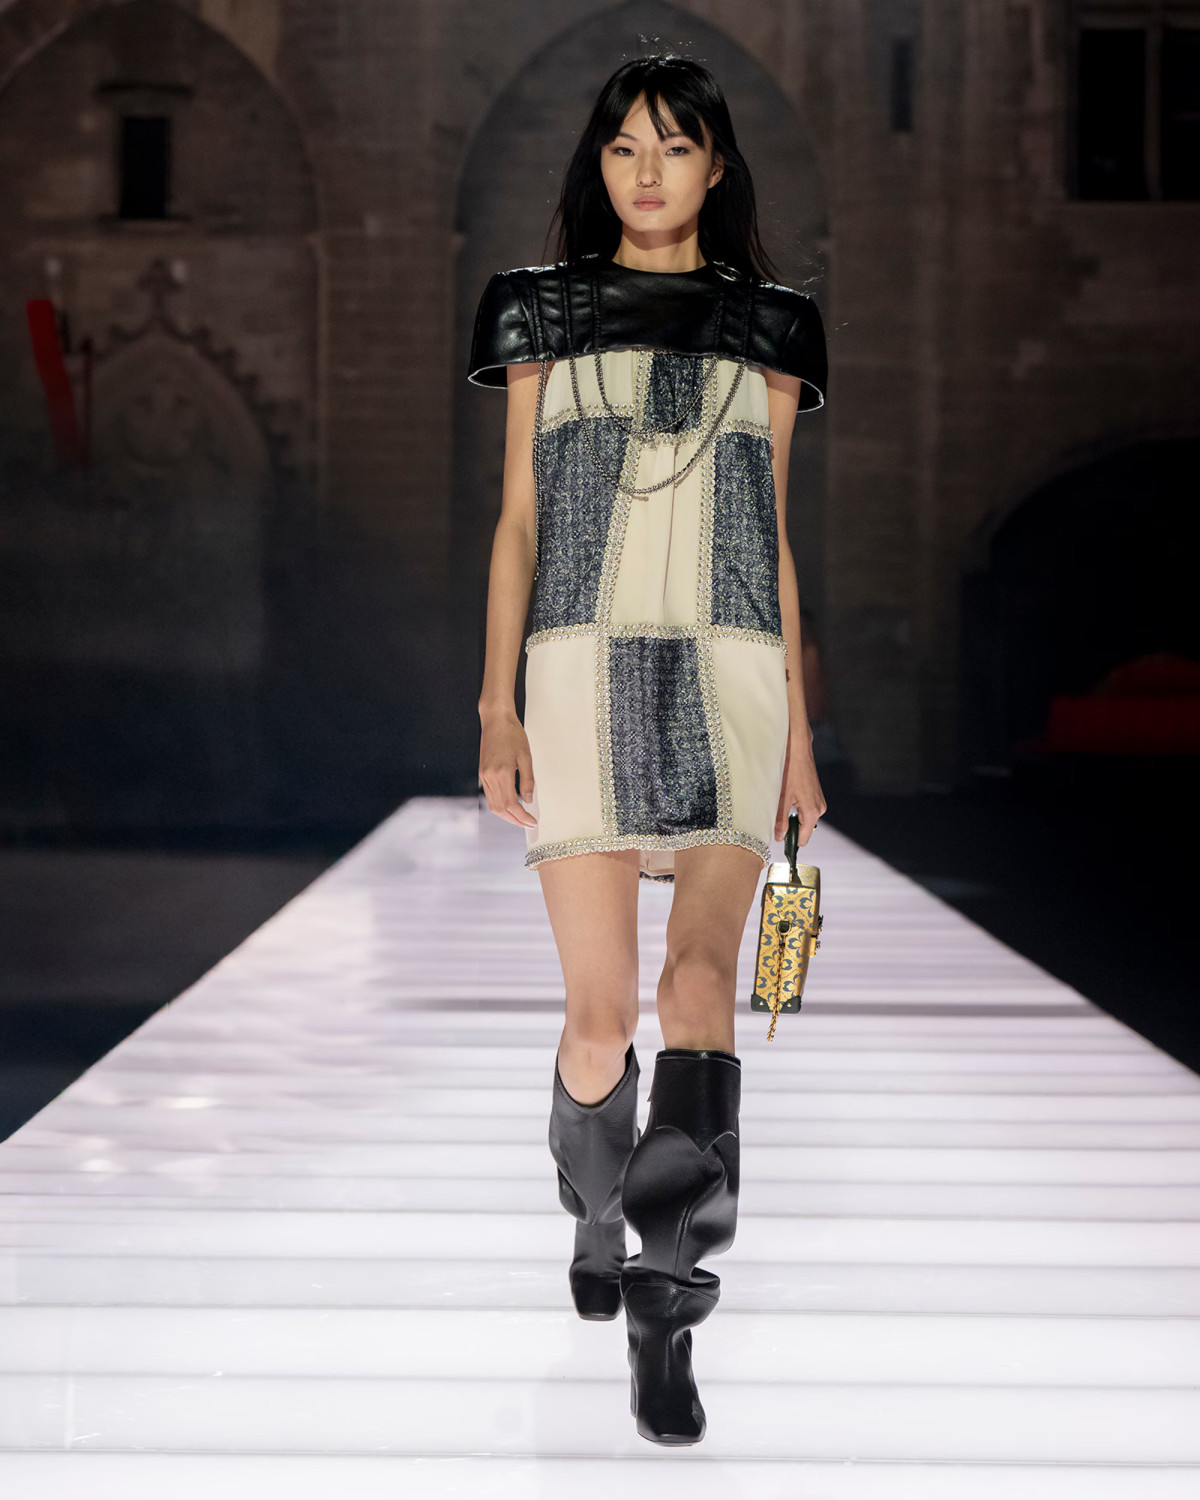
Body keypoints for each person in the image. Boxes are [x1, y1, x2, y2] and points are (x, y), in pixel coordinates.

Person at [467, 53, 828, 1446]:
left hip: (733, 672)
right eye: (624, 148)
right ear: (599, 165)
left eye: (675, 147)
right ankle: (597, 1206)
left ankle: (668, 1305)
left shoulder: (775, 330)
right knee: (599, 1019)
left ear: (716, 166)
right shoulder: (538, 314)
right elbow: (517, 520)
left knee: (702, 990)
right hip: (576, 669)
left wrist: (800, 733)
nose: (648, 172)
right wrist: (496, 707)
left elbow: (773, 538)